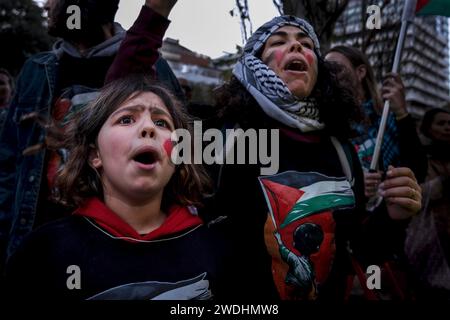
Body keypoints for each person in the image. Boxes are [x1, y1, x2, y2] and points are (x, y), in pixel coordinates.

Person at [99, 5, 423, 299]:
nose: (296, 46)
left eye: (307, 44)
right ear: (255, 62)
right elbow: (125, 97)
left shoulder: (340, 151)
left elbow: (359, 248)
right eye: (279, 41)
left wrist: (393, 217)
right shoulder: (221, 137)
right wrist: (155, 12)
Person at [4, 75, 230, 300]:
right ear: (94, 155)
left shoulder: (218, 251)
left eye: (161, 123)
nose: (148, 128)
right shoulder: (43, 251)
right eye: (126, 119)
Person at [0, 0, 183, 269]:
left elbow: (179, 158)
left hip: (122, 250)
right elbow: (7, 167)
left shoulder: (155, 69)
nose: (46, 6)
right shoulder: (36, 71)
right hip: (41, 246)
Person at [325, 46, 428, 203]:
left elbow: (417, 170)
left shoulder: (386, 117)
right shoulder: (323, 121)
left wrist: (401, 112)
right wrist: (353, 184)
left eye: (336, 68)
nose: (330, 75)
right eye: (326, 70)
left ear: (360, 72)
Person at [405, 107, 450, 298]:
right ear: (428, 127)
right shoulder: (418, 158)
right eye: (441, 123)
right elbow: (414, 194)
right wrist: (443, 183)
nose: (448, 127)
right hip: (429, 240)